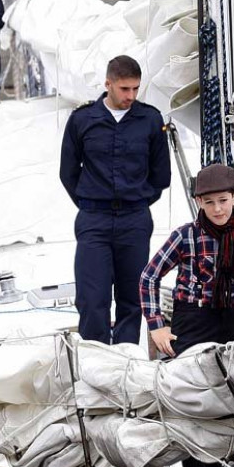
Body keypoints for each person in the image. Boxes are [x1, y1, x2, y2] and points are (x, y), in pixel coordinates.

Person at [139, 163, 234, 467]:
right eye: (209, 202)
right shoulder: (186, 236)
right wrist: (156, 325)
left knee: (228, 398)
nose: (217, 208)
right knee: (194, 401)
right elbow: (148, 278)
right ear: (199, 203)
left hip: (230, 321)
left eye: (223, 200)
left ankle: (226, 465)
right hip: (192, 320)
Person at [60, 55, 171, 345]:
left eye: (135, 89)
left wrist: (138, 200)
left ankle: (124, 360)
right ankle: (95, 362)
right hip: (93, 219)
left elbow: (161, 177)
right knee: (91, 298)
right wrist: (90, 202)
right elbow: (68, 173)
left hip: (135, 218)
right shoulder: (82, 120)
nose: (130, 96)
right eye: (124, 89)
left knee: (132, 298)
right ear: (108, 84)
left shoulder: (150, 119)